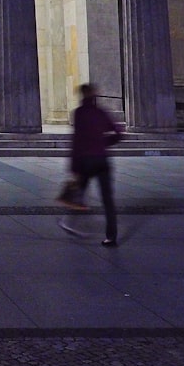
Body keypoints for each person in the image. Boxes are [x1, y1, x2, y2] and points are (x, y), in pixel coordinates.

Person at [65, 83, 124, 246]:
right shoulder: (101, 112)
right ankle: (111, 236)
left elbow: (77, 141)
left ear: (82, 95)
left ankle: (70, 223)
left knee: (79, 194)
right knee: (107, 200)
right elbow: (119, 133)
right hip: (102, 160)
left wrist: (73, 165)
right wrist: (104, 143)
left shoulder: (79, 113)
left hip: (86, 160)